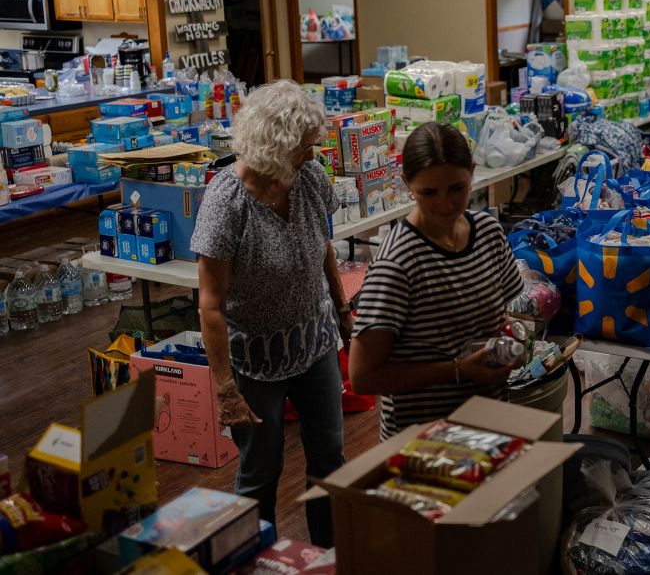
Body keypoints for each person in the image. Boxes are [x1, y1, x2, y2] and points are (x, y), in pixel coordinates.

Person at [192, 80, 351, 548]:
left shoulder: (309, 176)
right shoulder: (226, 202)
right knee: (260, 471)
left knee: (329, 456)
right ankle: (251, 556)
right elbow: (211, 305)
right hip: (255, 359)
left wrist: (341, 307)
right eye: (305, 145)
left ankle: (328, 552)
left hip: (314, 339)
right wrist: (224, 388)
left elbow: (321, 244)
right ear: (276, 146)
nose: (313, 152)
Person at [349, 121, 525, 440]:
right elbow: (362, 377)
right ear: (406, 184)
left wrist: (510, 345)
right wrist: (458, 369)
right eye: (428, 192)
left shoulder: (488, 233)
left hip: (490, 422)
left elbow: (503, 318)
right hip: (423, 440)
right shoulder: (398, 262)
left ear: (472, 172)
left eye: (457, 188)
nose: (445, 204)